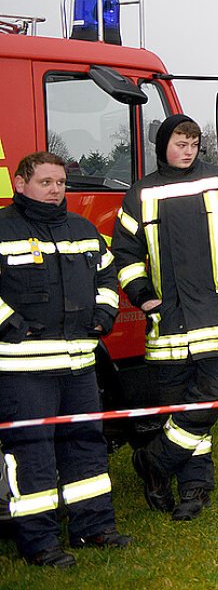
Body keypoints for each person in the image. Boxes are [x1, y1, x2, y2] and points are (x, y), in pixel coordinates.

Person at [115, 114, 218, 522]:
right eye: (181, 143)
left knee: (213, 396)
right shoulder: (141, 193)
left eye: (194, 144)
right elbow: (125, 255)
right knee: (181, 409)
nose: (188, 151)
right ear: (164, 145)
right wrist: (144, 297)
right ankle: (194, 487)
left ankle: (154, 463)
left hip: (217, 317)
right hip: (167, 324)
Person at [0, 152, 131, 567]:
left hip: (79, 364)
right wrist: (12, 327)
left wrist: (104, 314)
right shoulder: (3, 228)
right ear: (21, 184)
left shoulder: (83, 228)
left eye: (60, 182)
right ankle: (38, 542)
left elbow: (107, 276)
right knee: (32, 454)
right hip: (24, 369)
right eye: (46, 182)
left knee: (87, 446)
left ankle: (93, 527)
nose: (56, 189)